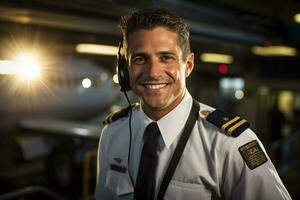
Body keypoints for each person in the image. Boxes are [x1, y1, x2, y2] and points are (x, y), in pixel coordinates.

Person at [95, 8, 291, 200]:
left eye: (166, 58)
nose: (153, 72)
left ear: (188, 65)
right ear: (125, 69)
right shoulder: (113, 133)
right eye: (140, 59)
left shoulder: (229, 142)